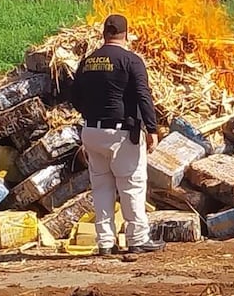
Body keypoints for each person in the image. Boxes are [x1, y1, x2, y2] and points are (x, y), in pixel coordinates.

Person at [70, 14, 165, 256]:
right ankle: (137, 239)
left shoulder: (88, 61)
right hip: (121, 133)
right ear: (126, 34)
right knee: (131, 185)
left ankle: (105, 243)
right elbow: (144, 96)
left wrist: (92, 115)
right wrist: (152, 129)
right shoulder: (131, 61)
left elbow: (74, 98)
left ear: (104, 34)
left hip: (91, 131)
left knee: (101, 188)